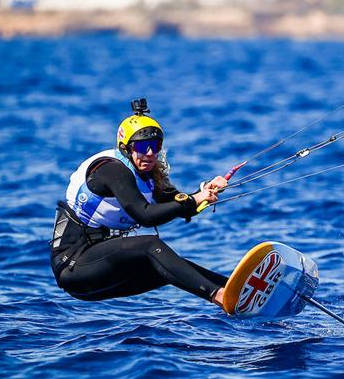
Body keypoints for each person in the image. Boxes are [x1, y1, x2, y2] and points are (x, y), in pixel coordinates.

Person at [50, 99, 229, 308]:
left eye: (155, 146)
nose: (151, 153)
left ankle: (233, 290)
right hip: (75, 266)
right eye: (143, 147)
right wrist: (193, 200)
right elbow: (145, 216)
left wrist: (205, 192)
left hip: (105, 268)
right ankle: (220, 296)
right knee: (150, 245)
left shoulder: (149, 176)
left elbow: (177, 206)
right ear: (126, 148)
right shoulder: (111, 169)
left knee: (170, 267)